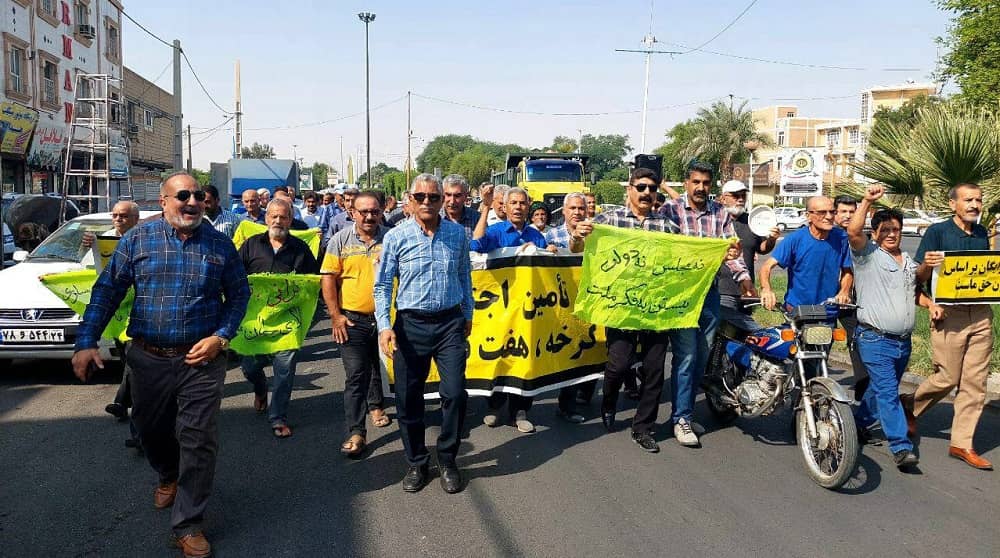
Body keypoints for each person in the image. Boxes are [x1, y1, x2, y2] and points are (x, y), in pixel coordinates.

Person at [72, 172, 250, 557]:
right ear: (164, 200)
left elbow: (239, 295)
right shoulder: (137, 239)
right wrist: (86, 342)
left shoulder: (220, 245)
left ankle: (188, 523)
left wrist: (221, 337)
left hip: (200, 362)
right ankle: (167, 473)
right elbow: (106, 292)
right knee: (150, 431)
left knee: (198, 439)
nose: (192, 202)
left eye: (198, 195)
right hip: (147, 359)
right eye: (182, 195)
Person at [374, 173, 473, 494]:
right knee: (407, 398)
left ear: (443, 199)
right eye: (421, 197)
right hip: (410, 326)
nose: (427, 202)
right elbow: (382, 285)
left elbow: (464, 277)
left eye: (434, 197)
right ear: (410, 200)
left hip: (449, 325)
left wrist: (467, 314)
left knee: (455, 394)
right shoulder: (396, 237)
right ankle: (417, 462)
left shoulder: (458, 235)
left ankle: (447, 459)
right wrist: (384, 326)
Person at [903, 183, 995, 470]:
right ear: (953, 203)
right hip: (948, 315)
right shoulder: (938, 232)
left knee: (975, 383)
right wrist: (928, 268)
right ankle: (910, 404)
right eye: (968, 200)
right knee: (947, 377)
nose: (974, 204)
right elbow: (916, 276)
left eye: (978, 200)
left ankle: (962, 443)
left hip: (980, 313)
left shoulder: (982, 233)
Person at [660, 163, 751, 448]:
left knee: (702, 353)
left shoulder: (720, 214)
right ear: (686, 183)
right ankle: (682, 418)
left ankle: (684, 410)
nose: (700, 187)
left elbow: (731, 250)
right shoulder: (670, 211)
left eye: (705, 182)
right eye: (695, 182)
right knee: (686, 355)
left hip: (709, 293)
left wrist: (744, 279)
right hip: (681, 295)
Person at [847, 185, 934, 469]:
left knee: (881, 389)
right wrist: (866, 200)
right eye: (884, 229)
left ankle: (857, 423)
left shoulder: (907, 261)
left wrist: (931, 302)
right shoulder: (868, 255)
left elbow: (913, 289)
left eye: (895, 229)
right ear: (875, 233)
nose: (891, 234)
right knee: (887, 392)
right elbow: (852, 232)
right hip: (874, 339)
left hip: (903, 341)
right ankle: (900, 446)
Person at [595, 168, 680, 453]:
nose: (646, 193)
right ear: (629, 189)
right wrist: (578, 236)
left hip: (657, 309)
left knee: (654, 370)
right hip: (621, 307)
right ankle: (608, 402)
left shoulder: (668, 226)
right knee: (618, 365)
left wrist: (722, 251)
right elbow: (581, 245)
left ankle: (643, 427)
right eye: (641, 187)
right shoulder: (608, 220)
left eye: (652, 188)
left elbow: (686, 258)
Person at [238, 198, 319, 438]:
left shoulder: (300, 249)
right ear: (266, 218)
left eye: (283, 217)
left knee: (284, 368)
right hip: (254, 322)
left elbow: (312, 284)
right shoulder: (251, 245)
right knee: (250, 366)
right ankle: (260, 388)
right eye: (273, 216)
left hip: (287, 321)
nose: (278, 221)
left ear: (290, 220)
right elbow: (234, 277)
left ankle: (278, 416)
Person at [471, 186, 547, 433]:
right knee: (500, 358)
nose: (517, 207)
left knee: (525, 361)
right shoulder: (495, 232)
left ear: (528, 206)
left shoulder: (537, 236)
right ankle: (494, 407)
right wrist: (484, 207)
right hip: (500, 310)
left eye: (522, 203)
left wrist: (548, 252)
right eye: (512, 203)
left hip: (528, 311)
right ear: (504, 206)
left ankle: (520, 411)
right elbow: (476, 244)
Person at [321, 191, 390, 457]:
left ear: (382, 211)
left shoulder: (392, 238)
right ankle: (356, 431)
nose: (369, 216)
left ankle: (377, 406)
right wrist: (335, 316)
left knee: (381, 368)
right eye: (363, 212)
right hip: (353, 320)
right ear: (353, 213)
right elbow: (328, 278)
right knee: (356, 374)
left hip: (387, 321)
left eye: (374, 211)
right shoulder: (339, 240)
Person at [544, 193, 596, 422]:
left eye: (580, 208)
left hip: (590, 300)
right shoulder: (550, 235)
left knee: (591, 350)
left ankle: (584, 394)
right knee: (571, 353)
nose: (577, 212)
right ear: (563, 211)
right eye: (572, 208)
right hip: (561, 304)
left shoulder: (597, 234)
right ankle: (567, 405)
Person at [759, 196, 853, 312]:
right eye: (822, 212)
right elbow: (766, 267)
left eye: (832, 212)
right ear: (808, 216)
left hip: (828, 310)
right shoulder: (795, 239)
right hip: (798, 310)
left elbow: (847, 271)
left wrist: (844, 291)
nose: (829, 216)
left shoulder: (841, 238)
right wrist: (766, 289)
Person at [716, 180, 778, 332]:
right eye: (736, 195)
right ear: (723, 198)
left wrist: (771, 239)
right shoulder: (714, 221)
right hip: (722, 290)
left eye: (743, 195)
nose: (741, 199)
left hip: (747, 291)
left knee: (742, 337)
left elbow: (762, 249)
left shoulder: (752, 221)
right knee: (724, 334)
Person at [833, 194, 868, 401]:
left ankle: (862, 394)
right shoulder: (827, 234)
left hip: (851, 300)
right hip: (824, 298)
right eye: (843, 211)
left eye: (852, 212)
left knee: (857, 341)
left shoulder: (860, 237)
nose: (847, 216)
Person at [441, 174, 480, 239]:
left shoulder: (477, 219)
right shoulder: (434, 218)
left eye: (457, 196)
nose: (452, 201)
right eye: (448, 195)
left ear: (466, 196)